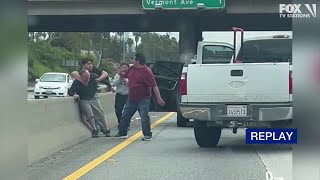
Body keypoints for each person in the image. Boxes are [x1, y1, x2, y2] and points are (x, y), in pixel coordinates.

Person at [113, 53, 165, 141]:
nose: (131, 61)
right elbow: (123, 76)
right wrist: (120, 72)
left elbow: (154, 86)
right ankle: (122, 132)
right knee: (125, 115)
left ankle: (147, 134)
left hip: (143, 98)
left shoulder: (147, 72)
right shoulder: (132, 69)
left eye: (133, 59)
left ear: (138, 61)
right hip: (132, 97)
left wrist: (159, 98)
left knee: (144, 116)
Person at [68, 69, 111, 138]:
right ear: (80, 77)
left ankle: (107, 129)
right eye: (85, 77)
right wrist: (74, 94)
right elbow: (70, 91)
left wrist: (110, 86)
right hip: (83, 99)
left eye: (88, 76)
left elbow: (104, 81)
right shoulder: (77, 82)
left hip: (93, 97)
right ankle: (94, 130)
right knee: (89, 114)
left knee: (100, 113)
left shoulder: (93, 76)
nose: (87, 78)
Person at [112, 63, 130, 129]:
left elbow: (131, 84)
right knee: (118, 110)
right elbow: (114, 83)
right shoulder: (117, 75)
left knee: (128, 111)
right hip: (119, 94)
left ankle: (126, 124)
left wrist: (126, 80)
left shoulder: (130, 75)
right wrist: (119, 79)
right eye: (122, 67)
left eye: (125, 67)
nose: (123, 69)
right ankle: (121, 123)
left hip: (128, 95)